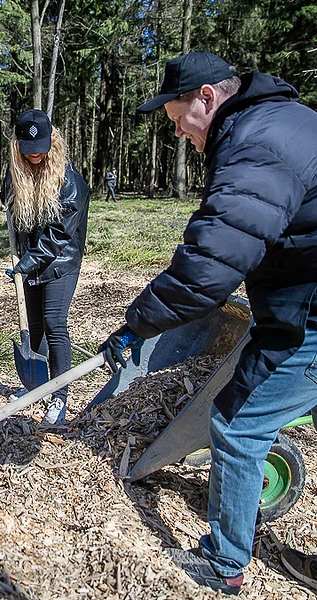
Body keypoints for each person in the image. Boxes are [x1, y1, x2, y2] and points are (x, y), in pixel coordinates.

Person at [99, 51, 317, 595]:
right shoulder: (281, 122)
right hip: (305, 298)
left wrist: (137, 324)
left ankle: (223, 564)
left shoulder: (255, 146)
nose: (176, 133)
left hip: (311, 315)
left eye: (176, 119)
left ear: (206, 98)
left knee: (238, 423)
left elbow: (208, 267)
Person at [1, 109, 91, 425]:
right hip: (31, 261)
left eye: (40, 148)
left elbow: (57, 237)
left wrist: (24, 264)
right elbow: (10, 205)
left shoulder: (71, 185)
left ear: (53, 141)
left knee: (54, 324)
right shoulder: (20, 172)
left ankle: (59, 396)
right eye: (27, 150)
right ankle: (36, 387)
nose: (35, 154)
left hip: (60, 261)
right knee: (34, 327)